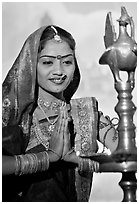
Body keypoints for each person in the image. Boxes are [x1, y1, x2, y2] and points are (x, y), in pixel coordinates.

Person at [2, 25, 118, 202]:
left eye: (67, 62)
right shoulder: (13, 115)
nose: (59, 71)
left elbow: (130, 159)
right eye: (48, 62)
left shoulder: (85, 112)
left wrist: (75, 158)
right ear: (31, 65)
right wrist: (48, 157)